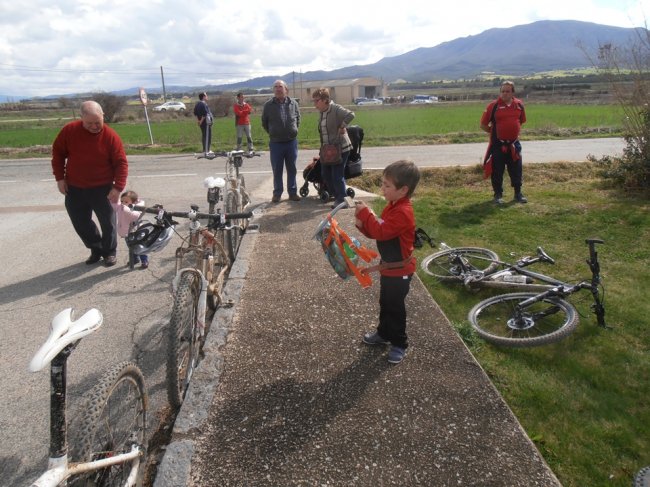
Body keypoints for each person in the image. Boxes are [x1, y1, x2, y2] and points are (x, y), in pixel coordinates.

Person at [355, 160, 421, 364]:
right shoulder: (392, 206)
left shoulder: (403, 212)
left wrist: (365, 214)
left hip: (400, 271)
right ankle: (383, 333)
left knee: (395, 308)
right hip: (389, 268)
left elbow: (381, 231)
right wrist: (363, 224)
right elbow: (379, 230)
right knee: (385, 302)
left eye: (386, 185)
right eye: (382, 184)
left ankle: (399, 343)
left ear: (403, 190)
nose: (382, 189)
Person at [51, 100, 128, 267]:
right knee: (80, 222)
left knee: (108, 223)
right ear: (81, 118)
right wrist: (60, 178)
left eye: (97, 122)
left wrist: (117, 188)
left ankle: (109, 252)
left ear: (103, 116)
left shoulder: (110, 136)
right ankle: (96, 248)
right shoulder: (69, 131)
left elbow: (121, 163)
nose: (94, 126)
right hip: (74, 187)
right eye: (89, 123)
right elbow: (58, 154)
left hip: (102, 188)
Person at [480, 80, 527, 204]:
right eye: (503, 91)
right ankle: (498, 195)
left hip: (514, 145)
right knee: (497, 171)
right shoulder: (493, 106)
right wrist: (494, 132)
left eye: (507, 91)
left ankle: (518, 194)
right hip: (498, 145)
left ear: (513, 93)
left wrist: (512, 131)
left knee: (516, 170)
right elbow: (483, 125)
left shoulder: (519, 105)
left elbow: (521, 121)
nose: (504, 93)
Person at [312, 88, 355, 208]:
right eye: (314, 101)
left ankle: (341, 200)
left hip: (341, 148)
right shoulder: (322, 112)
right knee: (325, 174)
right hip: (328, 150)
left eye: (316, 101)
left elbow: (351, 114)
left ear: (325, 100)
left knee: (337, 175)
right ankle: (339, 197)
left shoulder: (335, 108)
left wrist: (342, 126)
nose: (315, 104)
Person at [261, 80, 301, 202]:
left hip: (291, 142)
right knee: (277, 169)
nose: (278, 89)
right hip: (276, 143)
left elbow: (298, 119)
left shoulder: (293, 103)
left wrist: (294, 130)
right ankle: (277, 194)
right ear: (273, 90)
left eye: (280, 86)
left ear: (286, 90)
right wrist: (273, 132)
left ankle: (292, 193)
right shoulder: (268, 105)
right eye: (276, 87)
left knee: (292, 168)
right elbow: (264, 122)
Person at [113, 190, 149, 269]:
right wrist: (111, 199)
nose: (123, 203)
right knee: (130, 246)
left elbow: (135, 216)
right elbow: (114, 205)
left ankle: (144, 260)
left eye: (126, 202)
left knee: (140, 246)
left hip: (136, 231)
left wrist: (127, 209)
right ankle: (135, 259)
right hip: (126, 231)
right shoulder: (121, 207)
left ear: (134, 203)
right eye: (122, 201)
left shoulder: (136, 209)